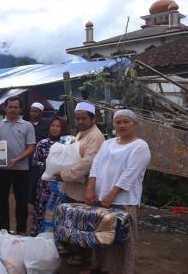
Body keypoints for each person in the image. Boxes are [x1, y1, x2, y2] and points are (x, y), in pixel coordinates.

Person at [84, 109, 151, 274]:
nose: (121, 125)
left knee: (121, 239)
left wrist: (112, 195)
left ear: (135, 124)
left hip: (123, 200)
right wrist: (90, 189)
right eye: (118, 122)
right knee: (100, 235)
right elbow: (95, 166)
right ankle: (98, 267)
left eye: (126, 121)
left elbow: (129, 175)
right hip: (100, 198)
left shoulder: (140, 146)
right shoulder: (107, 143)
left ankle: (119, 270)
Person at [54, 101, 105, 266]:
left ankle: (84, 256)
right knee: (74, 222)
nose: (80, 121)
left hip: (84, 188)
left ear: (93, 119)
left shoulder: (95, 136)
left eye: (84, 118)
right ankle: (75, 249)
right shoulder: (82, 133)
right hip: (74, 186)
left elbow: (88, 163)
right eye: (77, 118)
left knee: (83, 224)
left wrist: (64, 174)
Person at [0, 96, 36, 235]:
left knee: (21, 201)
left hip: (21, 169)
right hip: (1, 169)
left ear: (20, 109)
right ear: (5, 108)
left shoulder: (28, 125)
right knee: (0, 200)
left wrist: (17, 159)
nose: (13, 109)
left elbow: (31, 147)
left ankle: (21, 230)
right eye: (10, 107)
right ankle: (3, 230)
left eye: (16, 107)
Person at [30, 117, 68, 236]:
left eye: (58, 126)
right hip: (45, 184)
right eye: (52, 126)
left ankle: (55, 238)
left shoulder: (68, 144)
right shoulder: (43, 143)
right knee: (41, 209)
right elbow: (35, 161)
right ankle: (37, 235)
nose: (54, 128)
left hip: (61, 185)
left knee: (58, 211)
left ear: (63, 128)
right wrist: (46, 166)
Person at [29, 102, 51, 203]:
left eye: (35, 111)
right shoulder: (26, 124)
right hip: (28, 158)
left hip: (42, 158)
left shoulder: (47, 124)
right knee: (30, 182)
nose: (32, 113)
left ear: (41, 113)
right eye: (31, 111)